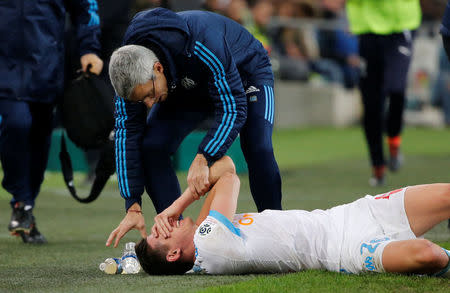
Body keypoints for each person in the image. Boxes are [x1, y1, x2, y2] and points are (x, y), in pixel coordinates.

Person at [107, 7, 282, 246]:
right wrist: (132, 205)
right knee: (153, 147)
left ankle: (277, 233)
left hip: (245, 71)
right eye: (141, 101)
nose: (148, 104)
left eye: (149, 94)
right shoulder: (129, 73)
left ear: (158, 68)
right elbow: (126, 135)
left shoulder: (202, 41)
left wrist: (204, 156)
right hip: (186, 84)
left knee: (258, 146)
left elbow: (233, 107)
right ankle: (176, 236)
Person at [127, 156, 450, 277]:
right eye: (161, 232)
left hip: (351, 213)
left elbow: (223, 168)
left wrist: (181, 211)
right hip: (346, 250)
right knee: (430, 255)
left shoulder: (205, 230)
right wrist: (178, 205)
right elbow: (228, 173)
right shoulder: (211, 243)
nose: (164, 221)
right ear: (173, 254)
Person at [0, 0, 103, 244]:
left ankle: (25, 206)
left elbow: (86, 6)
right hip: (4, 66)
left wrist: (89, 48)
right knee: (17, 123)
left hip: (45, 64)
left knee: (39, 136)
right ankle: (21, 199)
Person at [345, 0, 421, 186]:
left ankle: (394, 141)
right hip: (368, 30)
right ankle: (378, 166)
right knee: (371, 104)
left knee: (396, 90)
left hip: (400, 26)